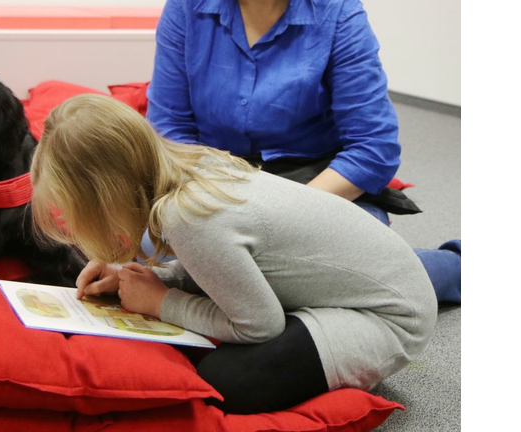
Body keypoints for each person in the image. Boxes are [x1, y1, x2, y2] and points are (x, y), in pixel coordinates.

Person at [30, 94, 437, 414]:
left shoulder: (188, 216)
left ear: (103, 196)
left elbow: (259, 326)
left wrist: (160, 301)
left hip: (388, 320)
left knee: (227, 384)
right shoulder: (191, 165)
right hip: (350, 286)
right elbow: (220, 265)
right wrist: (148, 279)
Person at [144, 0, 461, 303]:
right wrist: (209, 209)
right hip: (217, 183)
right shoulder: (186, 7)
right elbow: (169, 131)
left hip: (317, 188)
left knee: (340, 273)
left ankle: (454, 268)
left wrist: (281, 222)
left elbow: (373, 148)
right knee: (148, 249)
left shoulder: (338, 12)